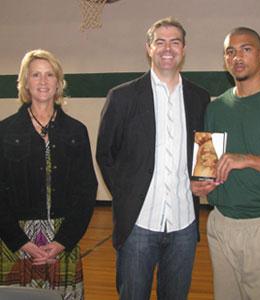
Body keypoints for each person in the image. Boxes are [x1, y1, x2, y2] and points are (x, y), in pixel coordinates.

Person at [96, 17, 210, 300]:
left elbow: (205, 152)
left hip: (184, 226)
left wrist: (203, 179)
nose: (167, 48)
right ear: (149, 48)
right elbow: (105, 154)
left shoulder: (200, 98)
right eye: (160, 42)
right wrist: (127, 194)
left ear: (184, 49)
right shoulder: (122, 97)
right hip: (138, 226)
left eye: (175, 42)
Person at [191, 27, 260, 300]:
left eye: (246, 49)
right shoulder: (215, 109)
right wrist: (200, 185)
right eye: (230, 51)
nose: (237, 56)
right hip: (222, 226)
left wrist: (249, 159)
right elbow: (206, 169)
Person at [0, 49, 98, 299]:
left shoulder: (77, 131)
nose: (43, 82)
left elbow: (87, 191)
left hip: (63, 239)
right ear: (25, 82)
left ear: (58, 83)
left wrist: (63, 241)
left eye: (49, 75)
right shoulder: (5, 131)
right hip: (15, 240)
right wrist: (21, 241)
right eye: (35, 75)